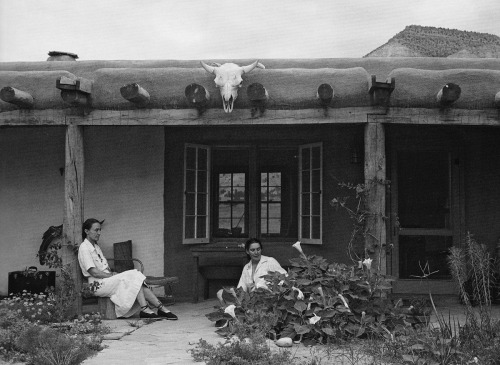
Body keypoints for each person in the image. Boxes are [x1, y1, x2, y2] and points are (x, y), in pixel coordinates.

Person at [78, 218, 177, 320]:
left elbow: (104, 267)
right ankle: (147, 309)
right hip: (97, 285)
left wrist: (112, 274)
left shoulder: (96, 247)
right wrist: (112, 275)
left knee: (136, 279)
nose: (99, 233)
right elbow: (94, 272)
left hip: (106, 280)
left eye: (100, 230)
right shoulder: (84, 248)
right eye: (96, 230)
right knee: (134, 275)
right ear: (86, 231)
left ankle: (160, 308)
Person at [217, 238, 286, 305]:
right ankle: (232, 313)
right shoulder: (246, 267)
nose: (256, 252)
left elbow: (285, 277)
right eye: (252, 250)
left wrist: (271, 288)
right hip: (250, 300)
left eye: (258, 249)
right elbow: (241, 288)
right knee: (220, 293)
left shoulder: (270, 261)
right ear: (247, 251)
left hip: (266, 299)